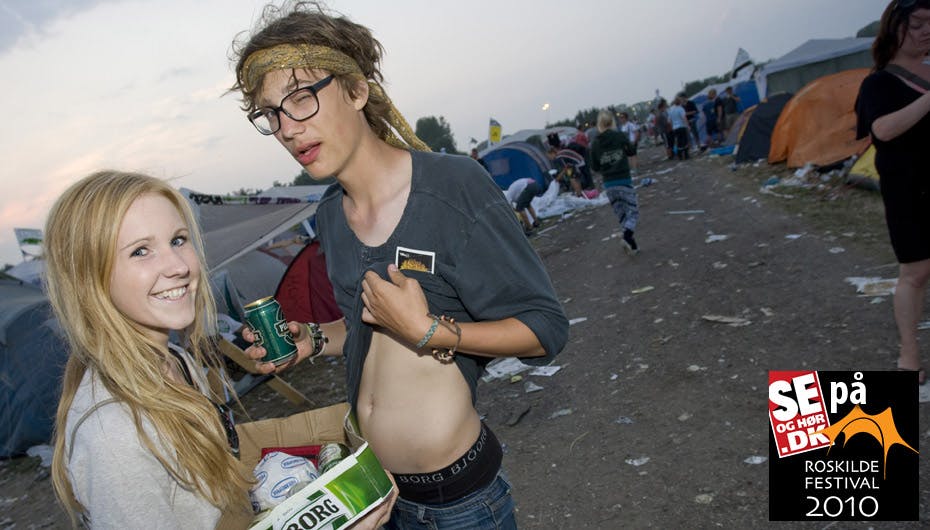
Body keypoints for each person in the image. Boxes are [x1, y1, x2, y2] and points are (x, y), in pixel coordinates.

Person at [230, 2, 569, 529]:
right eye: (270, 114)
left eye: (300, 99)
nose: (287, 129)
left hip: (460, 504)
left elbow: (544, 328)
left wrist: (431, 331)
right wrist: (315, 340)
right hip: (374, 495)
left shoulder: (453, 188)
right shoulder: (330, 215)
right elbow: (368, 324)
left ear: (357, 90)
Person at [45, 171, 252, 528]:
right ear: (89, 278)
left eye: (178, 239)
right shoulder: (114, 434)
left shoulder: (176, 360)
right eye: (141, 251)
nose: (180, 266)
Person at [855, 0, 930, 384]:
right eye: (916, 24)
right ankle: (909, 354)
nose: (925, 31)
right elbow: (882, 131)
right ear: (895, 28)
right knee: (915, 272)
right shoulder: (879, 82)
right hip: (908, 188)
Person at [590, 110, 640, 254]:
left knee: (622, 215)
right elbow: (631, 151)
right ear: (612, 122)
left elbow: (594, 166)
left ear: (599, 124)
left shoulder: (595, 143)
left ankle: (633, 246)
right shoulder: (619, 136)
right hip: (623, 180)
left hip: (609, 184)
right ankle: (627, 236)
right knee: (633, 212)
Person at [668, 95, 690, 160]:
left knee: (678, 142)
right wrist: (688, 125)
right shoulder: (681, 109)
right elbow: (684, 118)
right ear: (680, 102)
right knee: (684, 141)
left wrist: (672, 127)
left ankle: (680, 156)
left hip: (675, 128)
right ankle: (686, 155)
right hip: (682, 126)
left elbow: (669, 120)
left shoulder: (671, 110)